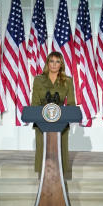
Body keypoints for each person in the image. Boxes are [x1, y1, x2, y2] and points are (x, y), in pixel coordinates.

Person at [31, 51, 76, 179]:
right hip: (41, 123)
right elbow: (34, 103)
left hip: (60, 123)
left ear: (61, 64)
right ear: (47, 63)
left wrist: (67, 115)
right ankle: (43, 180)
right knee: (43, 151)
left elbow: (71, 104)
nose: (54, 64)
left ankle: (61, 179)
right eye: (51, 61)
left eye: (57, 61)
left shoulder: (68, 81)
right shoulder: (38, 80)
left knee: (60, 152)